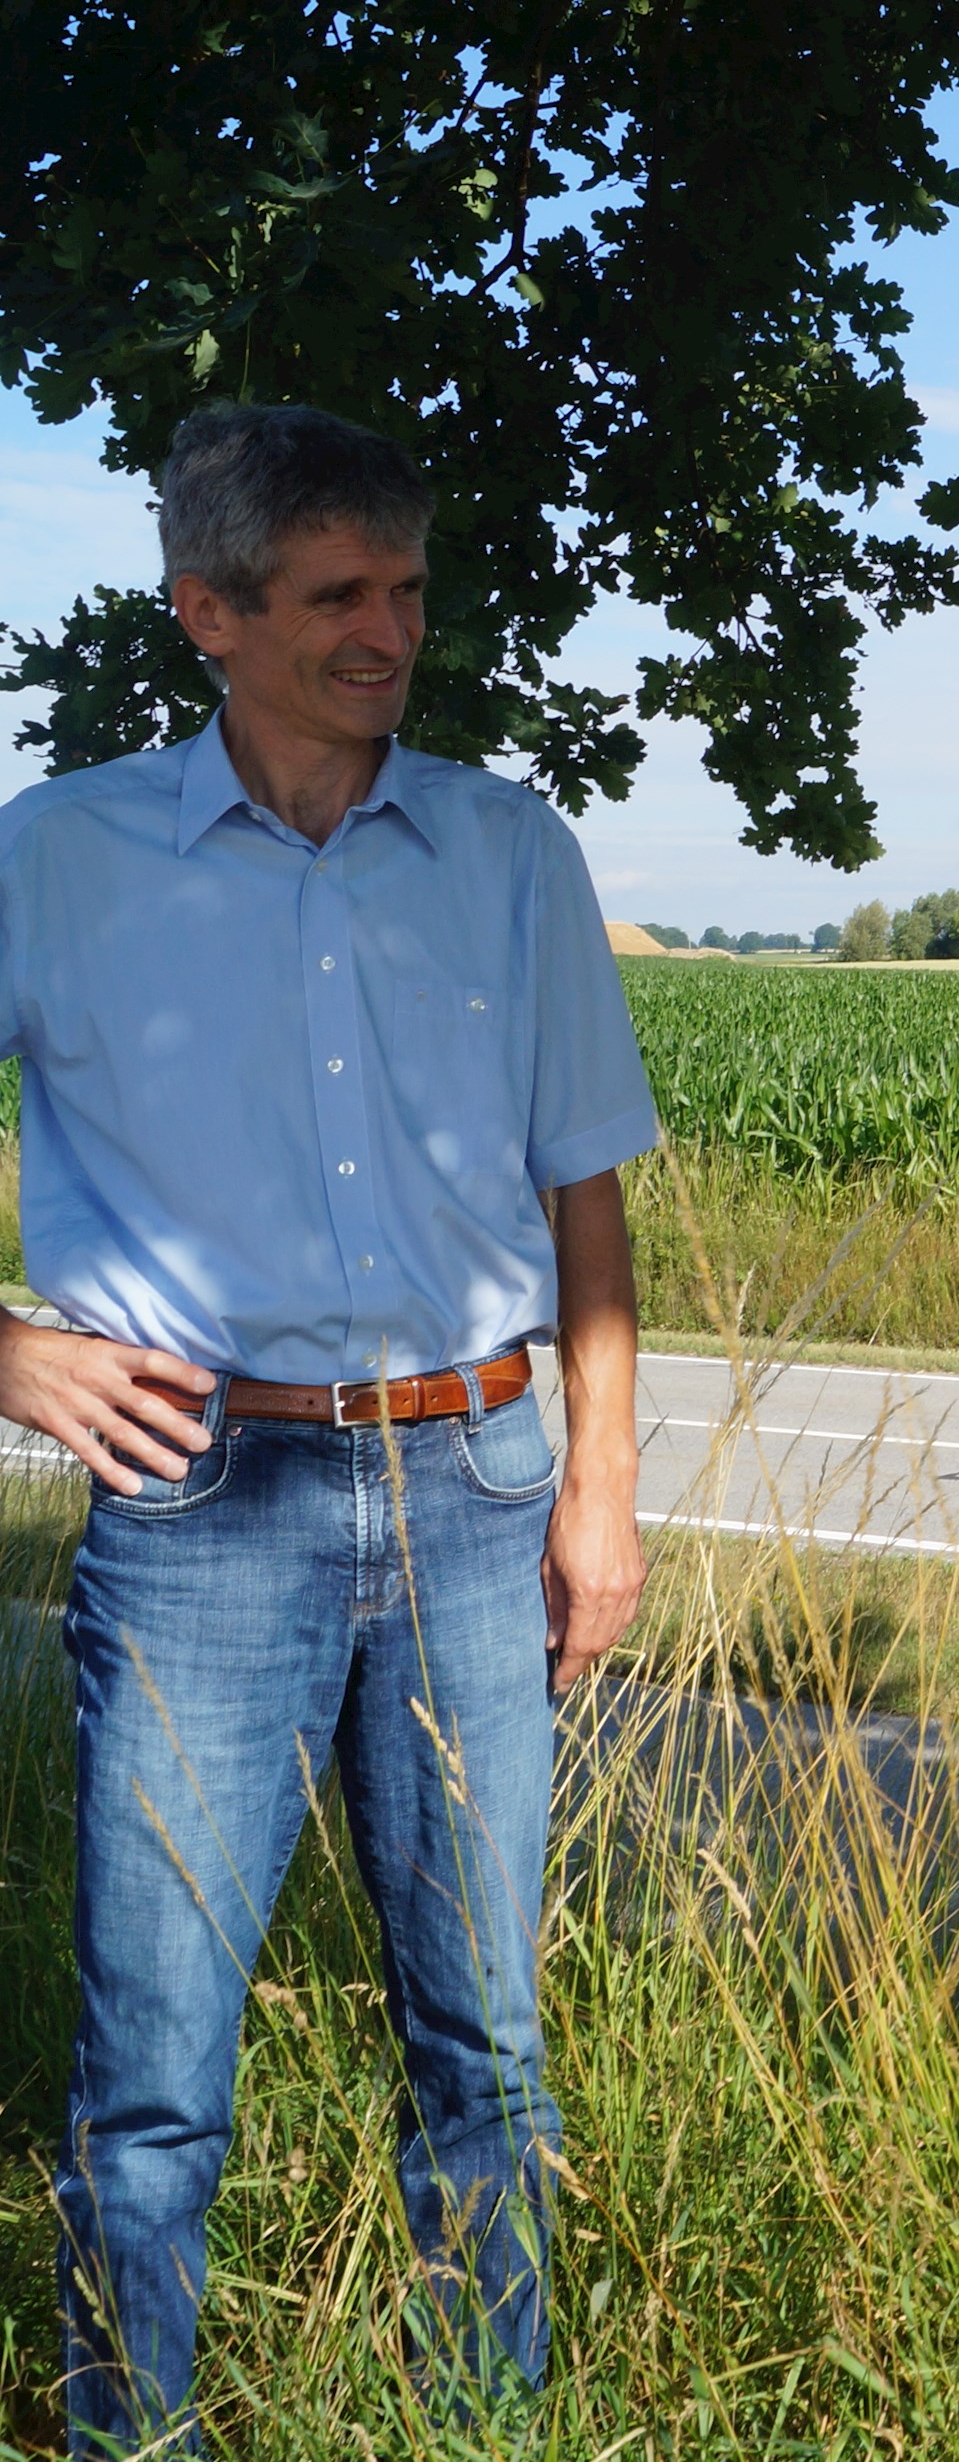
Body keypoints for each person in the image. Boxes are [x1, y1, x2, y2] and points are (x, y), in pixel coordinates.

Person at [0, 403, 660, 2448]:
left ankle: (488, 2420)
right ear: (207, 611)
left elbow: (589, 1201)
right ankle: (129, 2425)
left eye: (410, 589)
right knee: (158, 2061)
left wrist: (602, 1499)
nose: (391, 631)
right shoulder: (56, 854)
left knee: (488, 2039)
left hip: (477, 1487)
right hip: (201, 1505)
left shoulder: (510, 848)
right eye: (337, 595)